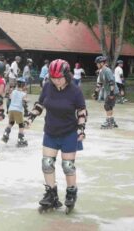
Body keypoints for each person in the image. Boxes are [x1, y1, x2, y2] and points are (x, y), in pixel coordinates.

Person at [25, 59, 87, 215]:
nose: (56, 81)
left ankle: (71, 193)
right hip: (51, 132)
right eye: (53, 77)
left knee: (68, 166)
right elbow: (40, 105)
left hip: (69, 133)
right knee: (47, 163)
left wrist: (81, 129)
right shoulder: (48, 87)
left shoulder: (75, 91)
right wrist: (30, 118)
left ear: (67, 75)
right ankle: (51, 194)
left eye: (59, 77)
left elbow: (81, 111)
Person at [2, 78, 28, 147]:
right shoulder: (24, 94)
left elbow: (9, 99)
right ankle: (20, 139)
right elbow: (24, 102)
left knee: (11, 122)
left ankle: (6, 133)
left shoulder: (13, 92)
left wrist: (7, 109)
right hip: (18, 110)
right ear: (23, 85)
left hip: (11, 109)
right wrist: (26, 108)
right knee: (21, 125)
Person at [93, 56, 118, 128]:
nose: (96, 65)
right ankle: (111, 120)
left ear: (101, 63)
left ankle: (109, 122)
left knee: (107, 105)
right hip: (109, 91)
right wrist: (96, 93)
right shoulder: (101, 72)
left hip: (112, 91)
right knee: (109, 106)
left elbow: (111, 82)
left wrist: (111, 93)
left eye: (97, 63)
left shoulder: (107, 71)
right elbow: (99, 83)